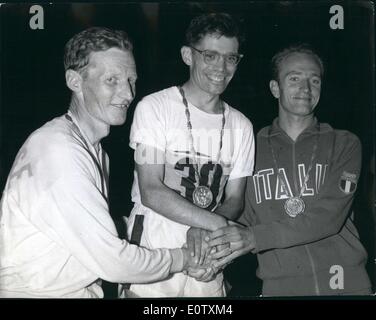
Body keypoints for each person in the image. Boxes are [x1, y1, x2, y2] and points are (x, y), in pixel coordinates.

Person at [0, 27, 203, 298]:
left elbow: (83, 229)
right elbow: (114, 261)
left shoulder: (88, 149)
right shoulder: (60, 150)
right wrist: (183, 258)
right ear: (74, 81)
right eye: (112, 80)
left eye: (131, 80)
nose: (128, 93)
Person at [208, 44, 372, 296]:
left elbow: (327, 218)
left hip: (346, 284)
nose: (306, 89)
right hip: (281, 288)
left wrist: (254, 239)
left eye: (314, 80)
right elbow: (239, 216)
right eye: (295, 78)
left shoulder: (345, 143)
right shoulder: (249, 147)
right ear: (275, 88)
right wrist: (208, 246)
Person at [126, 13, 255, 297]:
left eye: (231, 58)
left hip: (208, 249)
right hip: (154, 245)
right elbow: (151, 191)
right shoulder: (155, 107)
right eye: (210, 55)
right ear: (188, 55)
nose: (221, 67)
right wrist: (210, 223)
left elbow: (234, 200)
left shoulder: (241, 125)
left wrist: (207, 231)